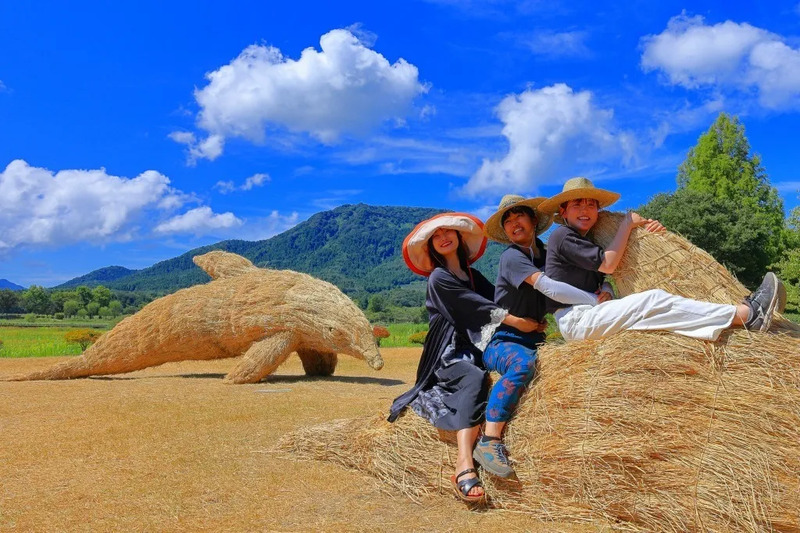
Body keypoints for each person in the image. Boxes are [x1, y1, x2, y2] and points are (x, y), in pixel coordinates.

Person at [387, 213, 538, 503]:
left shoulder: (472, 276)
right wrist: (517, 322)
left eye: (449, 232)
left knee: (511, 363)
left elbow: (499, 299)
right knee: (475, 377)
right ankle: (464, 464)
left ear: (458, 237)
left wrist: (533, 308)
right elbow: (478, 308)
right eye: (436, 235)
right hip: (448, 350)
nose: (444, 237)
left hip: (477, 345)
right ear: (431, 244)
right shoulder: (439, 277)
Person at [537, 177, 785, 343]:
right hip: (577, 320)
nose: (585, 209)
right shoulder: (563, 235)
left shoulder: (589, 240)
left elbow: (603, 276)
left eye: (591, 204)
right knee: (652, 300)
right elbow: (608, 264)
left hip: (591, 313)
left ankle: (726, 326)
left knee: (662, 320)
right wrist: (626, 225)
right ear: (563, 211)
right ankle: (747, 314)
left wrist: (646, 231)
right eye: (577, 204)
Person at [474, 195, 601, 479]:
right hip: (504, 340)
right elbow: (548, 287)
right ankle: (490, 440)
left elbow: (577, 280)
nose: (513, 223)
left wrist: (602, 288)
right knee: (521, 364)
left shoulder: (547, 254)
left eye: (519, 216)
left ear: (533, 221)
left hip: (537, 340)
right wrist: (595, 300)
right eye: (507, 221)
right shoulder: (512, 257)